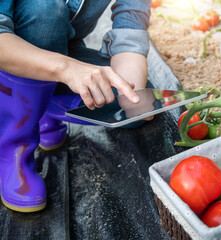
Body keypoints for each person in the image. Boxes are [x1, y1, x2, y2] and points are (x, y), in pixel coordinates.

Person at [0, 0, 152, 213]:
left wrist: (131, 97)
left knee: (138, 97)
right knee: (45, 10)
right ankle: (12, 151)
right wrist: (67, 70)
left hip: (63, 54)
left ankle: (39, 105)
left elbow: (130, 24)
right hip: (10, 58)